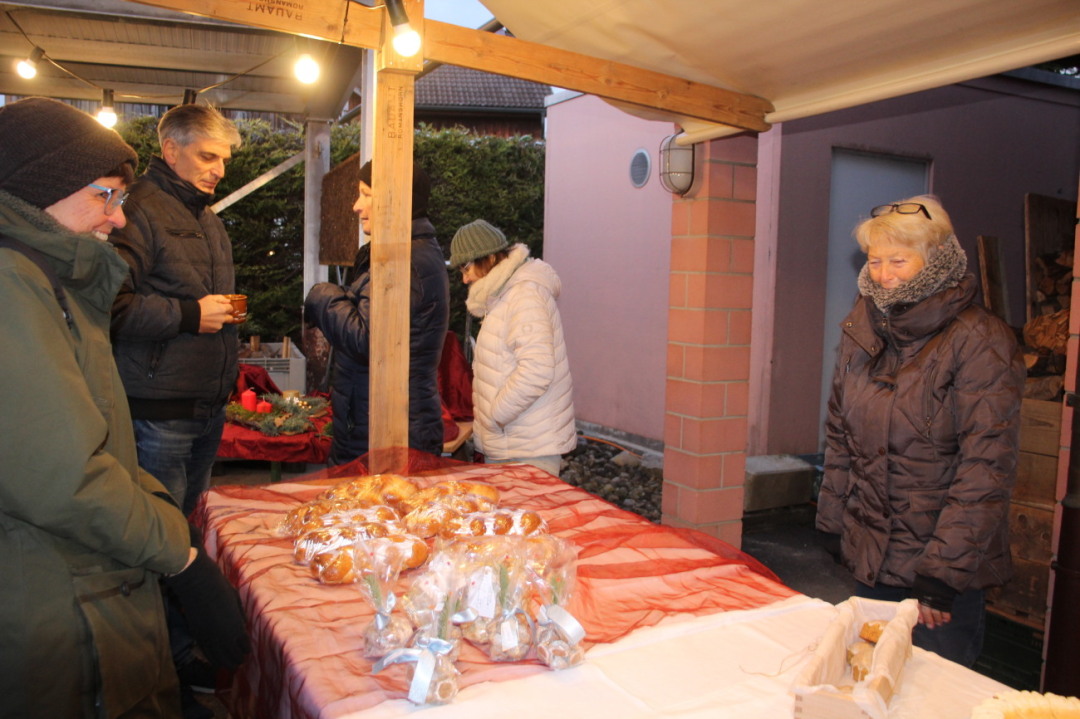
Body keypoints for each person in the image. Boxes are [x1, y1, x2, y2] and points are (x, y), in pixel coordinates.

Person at [0, 97, 247, 717]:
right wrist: (183, 556)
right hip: (54, 598)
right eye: (104, 196)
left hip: (79, 579)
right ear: (41, 190)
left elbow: (87, 440)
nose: (114, 219)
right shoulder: (14, 288)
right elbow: (65, 477)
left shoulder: (46, 277)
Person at [815, 194, 1025, 667]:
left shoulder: (980, 339)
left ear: (936, 260)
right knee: (869, 683)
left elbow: (986, 465)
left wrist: (942, 576)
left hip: (939, 575)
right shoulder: (863, 326)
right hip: (873, 558)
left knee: (932, 695)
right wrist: (832, 519)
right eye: (875, 261)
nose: (884, 274)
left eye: (898, 260)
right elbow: (840, 432)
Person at [107, 103, 245, 711]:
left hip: (202, 406)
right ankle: (151, 667)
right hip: (157, 411)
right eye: (208, 156)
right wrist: (193, 314)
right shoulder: (137, 208)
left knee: (188, 539)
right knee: (160, 544)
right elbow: (111, 304)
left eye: (225, 159)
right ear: (171, 149)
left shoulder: (206, 215)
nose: (219, 169)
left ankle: (182, 654)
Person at [305, 159, 449, 465]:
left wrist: (320, 295)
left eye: (365, 194)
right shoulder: (405, 252)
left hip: (388, 428)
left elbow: (366, 339)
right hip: (380, 420)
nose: (357, 206)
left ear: (394, 199)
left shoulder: (404, 261)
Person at [448, 219, 576, 477]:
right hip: (514, 442)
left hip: (526, 449)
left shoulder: (524, 294)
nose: (464, 278)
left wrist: (496, 416)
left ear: (491, 257)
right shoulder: (504, 295)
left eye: (467, 267)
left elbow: (537, 370)